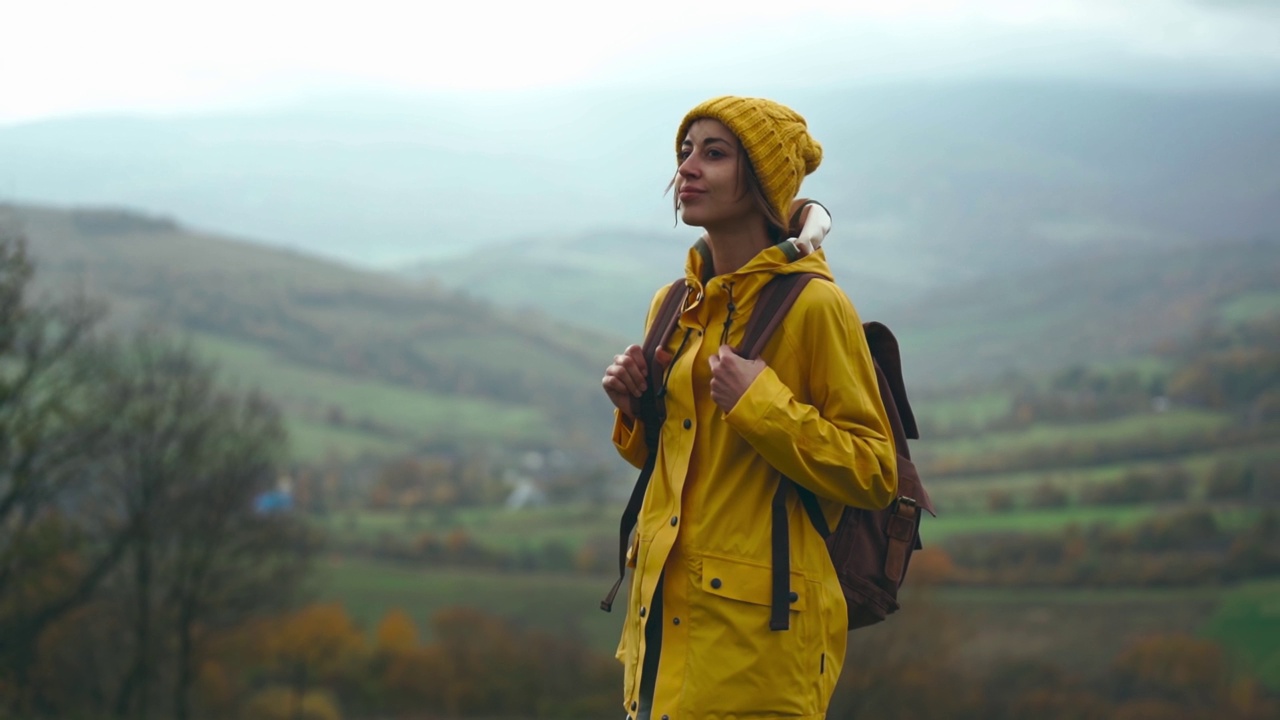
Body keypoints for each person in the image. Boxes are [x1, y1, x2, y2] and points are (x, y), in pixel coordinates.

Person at [600, 96, 899, 720]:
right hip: (659, 631)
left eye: (714, 153)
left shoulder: (815, 306)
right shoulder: (674, 302)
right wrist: (636, 412)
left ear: (761, 177)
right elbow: (679, 461)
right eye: (685, 152)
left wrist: (759, 402)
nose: (687, 167)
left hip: (759, 651)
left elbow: (874, 473)